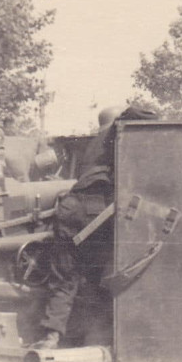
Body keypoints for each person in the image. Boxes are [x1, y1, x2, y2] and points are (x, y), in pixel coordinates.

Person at [33, 105, 130, 349]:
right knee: (109, 270)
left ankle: (52, 337)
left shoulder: (92, 143)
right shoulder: (118, 136)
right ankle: (103, 338)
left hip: (70, 207)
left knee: (65, 275)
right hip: (94, 209)